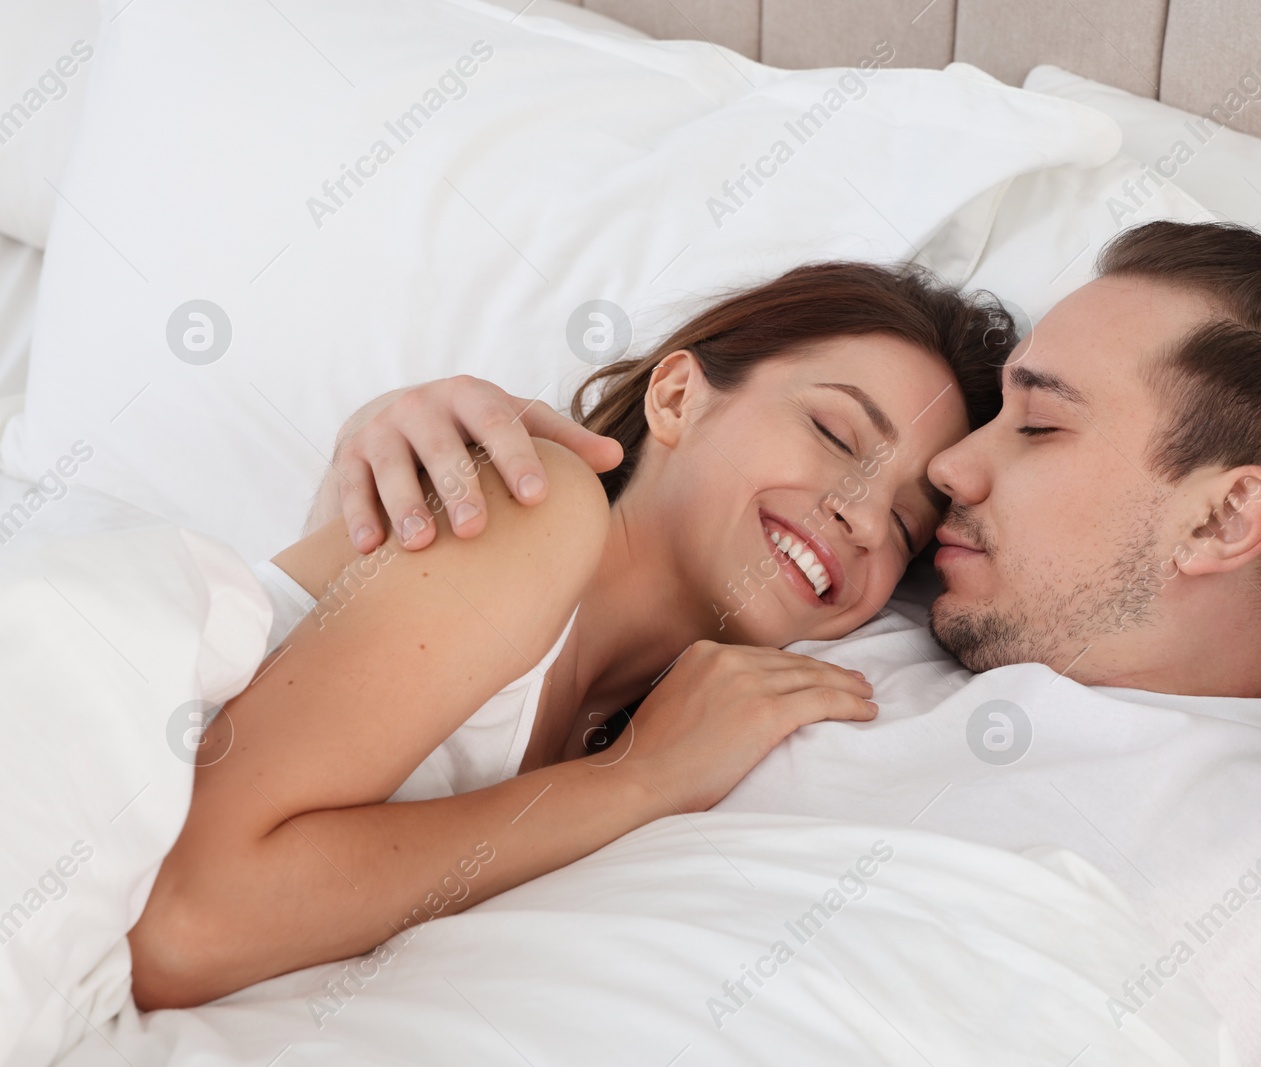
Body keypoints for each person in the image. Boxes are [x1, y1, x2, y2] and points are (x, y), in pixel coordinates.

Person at [322, 221, 1261, 1066]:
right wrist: (407, 451)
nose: (949, 464)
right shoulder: (825, 617)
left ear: (1222, 515)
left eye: (1036, 428)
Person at [126, 261, 1015, 1009]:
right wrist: (636, 781)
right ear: (676, 398)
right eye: (833, 431)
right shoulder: (541, 510)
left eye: (905, 523)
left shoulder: (625, 726)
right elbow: (184, 925)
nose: (861, 516)